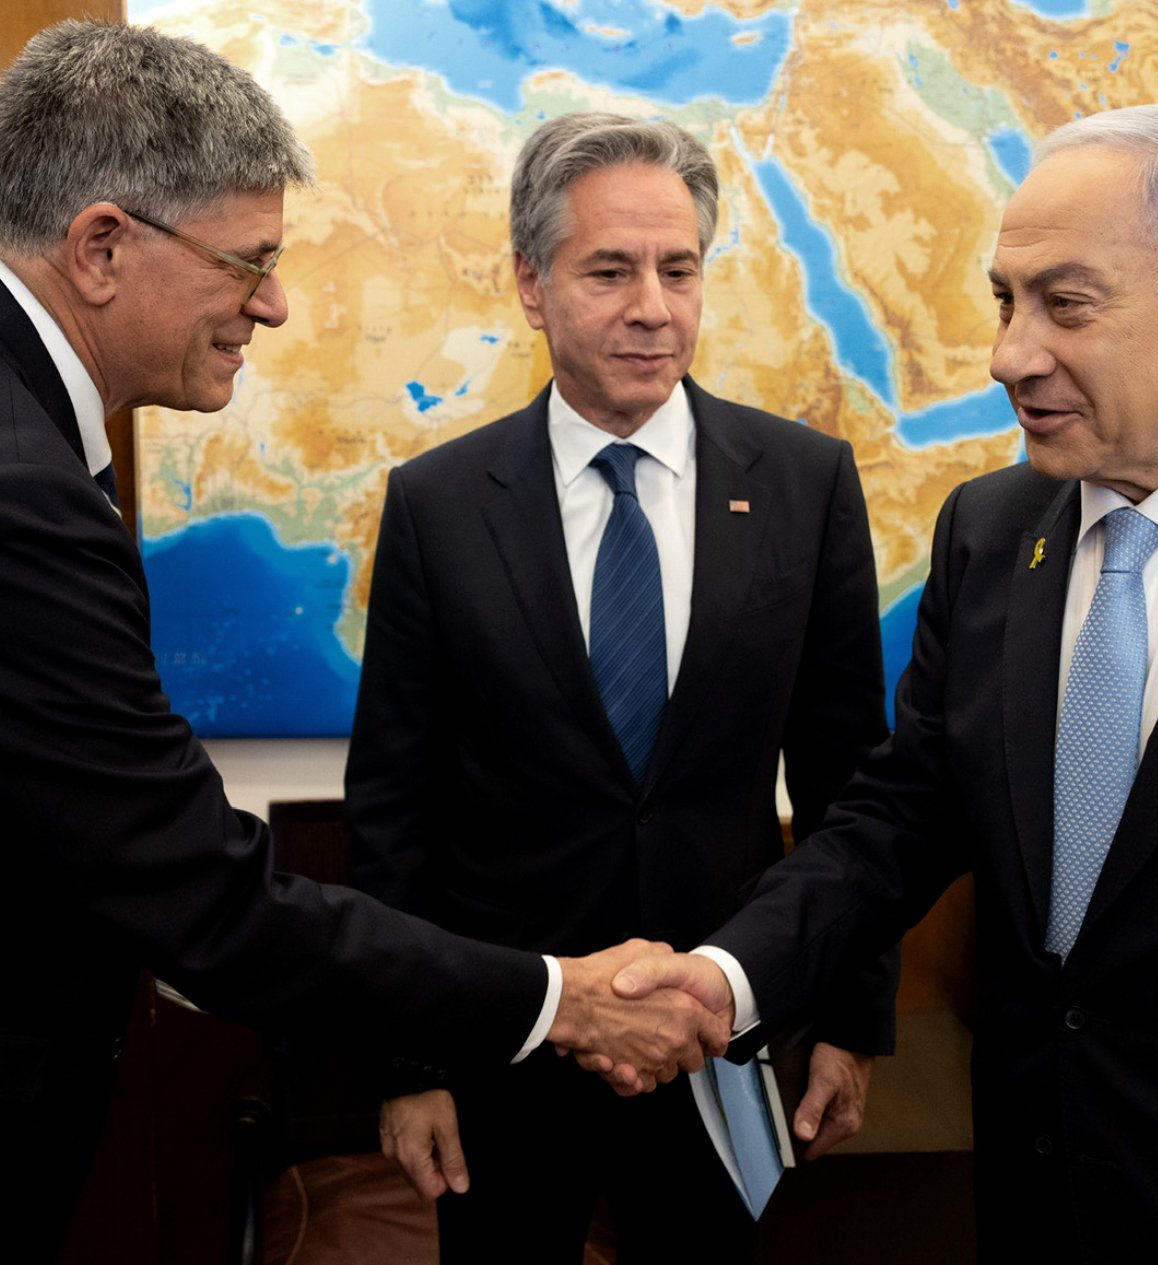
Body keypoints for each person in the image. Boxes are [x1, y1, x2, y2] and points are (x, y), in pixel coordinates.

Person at [0, 25, 726, 1256]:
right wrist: (557, 998)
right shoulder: (23, 488)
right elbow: (211, 894)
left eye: (680, 267)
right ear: (103, 247)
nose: (274, 304)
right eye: (250, 261)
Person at [617, 101, 1158, 1264]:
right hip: (1029, 1189)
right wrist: (725, 978)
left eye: (1064, 304)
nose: (1009, 354)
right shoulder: (990, 528)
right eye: (1003, 302)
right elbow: (899, 815)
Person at [345, 112, 894, 1262]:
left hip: (723, 1045)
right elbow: (395, 805)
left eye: (678, 267)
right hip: (506, 1047)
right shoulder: (440, 504)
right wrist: (406, 1071)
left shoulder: (804, 483)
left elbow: (852, 783)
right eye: (610, 269)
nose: (653, 304)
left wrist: (846, 1023)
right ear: (531, 285)